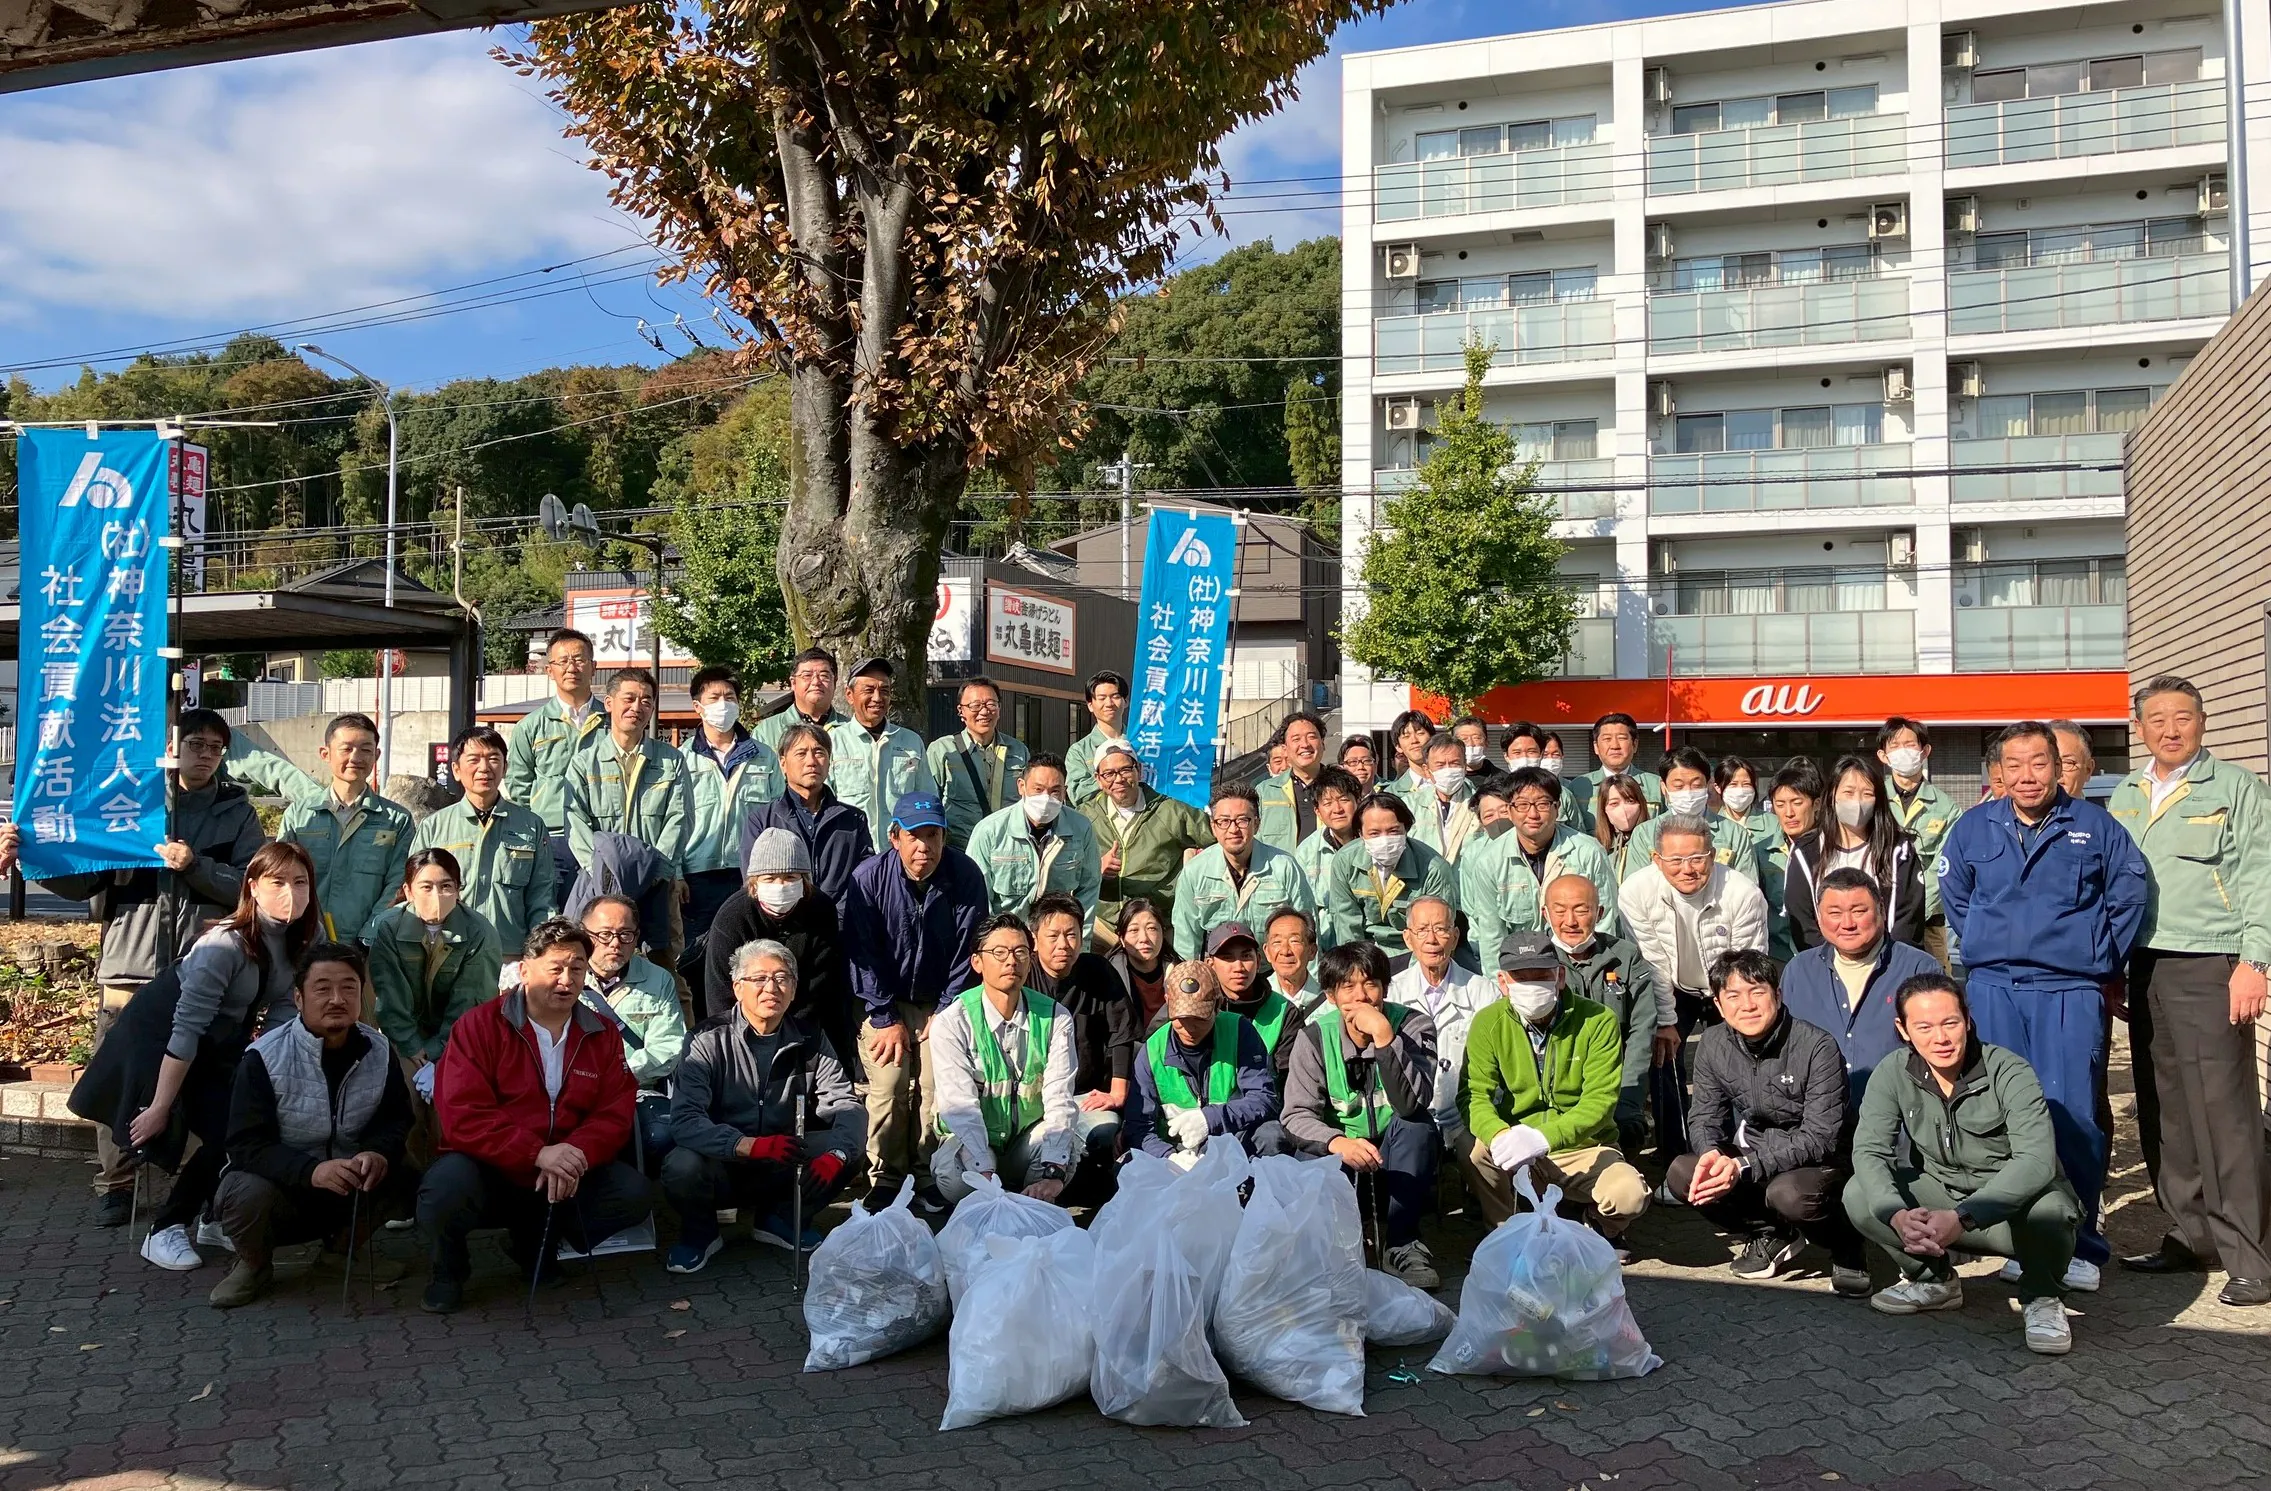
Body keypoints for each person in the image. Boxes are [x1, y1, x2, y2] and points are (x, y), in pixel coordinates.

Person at [0, 706, 262, 1227]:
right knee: (123, 1077)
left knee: (202, 1078)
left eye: (214, 747)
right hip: (129, 963)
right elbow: (82, 881)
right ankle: (115, 1184)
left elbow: (252, 887)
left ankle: (190, 1186)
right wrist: (32, 854)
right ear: (173, 747)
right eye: (195, 744)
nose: (205, 755)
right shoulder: (128, 805)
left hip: (203, 969)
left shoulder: (237, 811)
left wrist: (197, 867)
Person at [1940, 722, 2146, 1292]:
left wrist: (2093, 956)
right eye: (2014, 764)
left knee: (2072, 1112)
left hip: (2069, 991)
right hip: (1995, 989)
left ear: (2059, 767)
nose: (2026, 775)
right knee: (2002, 1115)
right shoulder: (1974, 827)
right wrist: (1993, 942)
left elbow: (2128, 896)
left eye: (2039, 762)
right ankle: (2019, 1236)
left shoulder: (2096, 827)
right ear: (1998, 772)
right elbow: (1957, 899)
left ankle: (2078, 1242)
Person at [71, 843, 326, 1273]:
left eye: (300, 883)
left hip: (221, 1041)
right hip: (160, 1038)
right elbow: (185, 1030)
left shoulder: (307, 936)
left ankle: (214, 1218)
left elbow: (284, 1013)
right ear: (253, 888)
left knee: (246, 1125)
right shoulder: (223, 944)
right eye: (277, 883)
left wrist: (268, 1074)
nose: (291, 894)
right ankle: (165, 1229)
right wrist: (159, 1107)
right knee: (226, 1133)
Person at [2108, 677, 2271, 1303]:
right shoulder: (2126, 792)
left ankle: (2249, 1255)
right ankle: (2189, 1234)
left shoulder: (2236, 789)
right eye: (2156, 719)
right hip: (2144, 965)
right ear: (2140, 727)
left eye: (2182, 717)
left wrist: (2254, 961)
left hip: (2212, 965)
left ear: (2202, 723)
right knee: (2164, 1108)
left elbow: (2260, 877)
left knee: (2224, 1114)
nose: (2170, 729)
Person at [417, 919, 651, 1314]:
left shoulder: (602, 1032)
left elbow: (615, 1110)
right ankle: (448, 1272)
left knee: (632, 1194)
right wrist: (535, 1153)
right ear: (525, 970)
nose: (567, 979)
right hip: (490, 1164)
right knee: (442, 1191)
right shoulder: (478, 1026)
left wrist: (574, 1153)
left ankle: (536, 1243)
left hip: (565, 1167)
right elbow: (463, 1114)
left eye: (577, 968)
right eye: (555, 968)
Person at [1844, 974, 2082, 1354]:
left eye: (1949, 1022)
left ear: (1967, 1020)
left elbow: (2036, 1162)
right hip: (1941, 1195)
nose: (1940, 1038)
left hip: (2009, 1212)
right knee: (1859, 1194)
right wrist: (1896, 1216)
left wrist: (1964, 1217)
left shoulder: (2009, 1071)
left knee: (2053, 1210)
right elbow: (1870, 1150)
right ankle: (1934, 1281)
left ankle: (2042, 1297)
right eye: (1924, 1027)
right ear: (1903, 1030)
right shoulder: (1892, 1072)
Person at [209, 942, 414, 1309]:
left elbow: (397, 1119)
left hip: (350, 1179)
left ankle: (339, 1254)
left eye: (349, 987)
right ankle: (254, 1264)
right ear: (299, 997)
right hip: (283, 1185)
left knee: (405, 1169)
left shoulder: (380, 1051)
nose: (337, 998)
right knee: (244, 1190)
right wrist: (311, 1171)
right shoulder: (263, 1057)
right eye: (322, 988)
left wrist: (376, 1152)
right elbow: (245, 1144)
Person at [1670, 950, 1867, 1294]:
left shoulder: (1816, 1045)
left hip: (1821, 1163)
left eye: (1757, 991)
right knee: (1684, 1174)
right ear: (1718, 1004)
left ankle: (1847, 1245)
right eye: (1733, 995)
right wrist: (1711, 1155)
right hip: (1755, 1153)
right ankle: (1772, 1233)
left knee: (1789, 1194)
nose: (1746, 1005)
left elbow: (1820, 1136)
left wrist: (1744, 1166)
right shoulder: (1714, 1043)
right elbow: (1704, 1115)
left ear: (1777, 995)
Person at [662, 938, 864, 1271]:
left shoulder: (810, 1038)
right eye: (759, 979)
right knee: (681, 1164)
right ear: (737, 988)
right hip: (720, 1163)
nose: (771, 987)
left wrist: (837, 1154)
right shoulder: (706, 1038)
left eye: (782, 978)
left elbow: (846, 1102)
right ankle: (700, 1234)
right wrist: (744, 1145)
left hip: (781, 1159)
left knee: (845, 1148)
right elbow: (684, 1119)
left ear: (794, 988)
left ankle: (781, 1219)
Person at [842, 790, 990, 1208]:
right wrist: (885, 1016)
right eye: (914, 836)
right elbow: (862, 954)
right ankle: (886, 1176)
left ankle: (928, 1173)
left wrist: (944, 1012)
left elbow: (969, 951)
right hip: (880, 1002)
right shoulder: (868, 878)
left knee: (934, 1085)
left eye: (933, 835)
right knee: (889, 1084)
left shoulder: (965, 875)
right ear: (895, 837)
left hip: (939, 1000)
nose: (924, 846)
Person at [1458, 932, 1648, 1249]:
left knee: (1630, 1195)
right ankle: (1506, 1232)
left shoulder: (1598, 1020)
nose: (1532, 985)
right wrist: (1499, 1133)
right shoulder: (1487, 1022)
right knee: (1473, 1146)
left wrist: (1546, 1137)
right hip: (1517, 1143)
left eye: (1541, 975)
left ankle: (1601, 1225)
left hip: (1585, 1146)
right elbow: (1473, 1094)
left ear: (1559, 977)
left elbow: (1600, 1102)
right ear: (1503, 983)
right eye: (1521, 977)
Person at [1282, 940, 1442, 1287]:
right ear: (1330, 996)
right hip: (1344, 1157)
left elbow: (1413, 1102)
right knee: (1308, 1155)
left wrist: (1385, 1039)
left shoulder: (1414, 1026)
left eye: (1370, 984)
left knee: (1419, 1127)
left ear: (1384, 988)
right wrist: (1338, 1142)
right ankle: (1334, 1251)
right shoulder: (1312, 1038)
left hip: (1395, 1156)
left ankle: (1402, 1244)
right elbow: (1296, 1115)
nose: (1362, 996)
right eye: (1348, 986)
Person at [1619, 813, 1770, 1154]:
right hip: (1672, 983)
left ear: (1712, 855)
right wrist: (1667, 1021)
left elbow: (1747, 968)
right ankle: (1674, 1153)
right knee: (1663, 1056)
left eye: (1697, 858)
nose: (1687, 869)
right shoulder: (1635, 892)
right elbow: (1652, 962)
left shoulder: (1743, 894)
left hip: (1729, 987)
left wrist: (1736, 1015)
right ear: (1656, 860)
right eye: (1675, 860)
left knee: (1737, 1061)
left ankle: (1740, 1153)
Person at [928, 913, 1081, 1206]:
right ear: (977, 962)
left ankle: (1030, 1203)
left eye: (1020, 952)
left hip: (1025, 1143)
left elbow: (1060, 1097)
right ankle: (989, 1204)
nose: (1011, 960)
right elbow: (959, 1106)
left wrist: (1053, 1170)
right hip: (977, 1144)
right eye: (999, 953)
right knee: (952, 1174)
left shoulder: (1055, 1016)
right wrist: (983, 1171)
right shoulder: (953, 1022)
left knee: (1066, 1148)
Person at [1782, 868, 1944, 1119]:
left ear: (1880, 908)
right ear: (1819, 917)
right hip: (1816, 1124)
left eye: (1859, 911)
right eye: (1835, 913)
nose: (1847, 924)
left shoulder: (1918, 968)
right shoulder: (1799, 971)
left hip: (1898, 1120)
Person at [700, 829, 851, 1067]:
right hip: (744, 1028)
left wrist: (790, 1040)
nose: (780, 886)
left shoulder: (821, 910)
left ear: (805, 880)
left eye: (790, 877)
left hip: (806, 1023)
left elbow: (822, 984)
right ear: (754, 883)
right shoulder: (732, 917)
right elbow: (720, 993)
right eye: (769, 878)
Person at [410, 726, 559, 959]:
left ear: (505, 768)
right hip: (447, 952)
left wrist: (540, 954)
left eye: (493, 759)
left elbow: (542, 896)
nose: (484, 768)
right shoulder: (434, 827)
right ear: (456, 770)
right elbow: (417, 894)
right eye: (474, 759)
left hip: (508, 955)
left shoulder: (530, 826)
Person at [1462, 766, 1620, 972]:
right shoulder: (1489, 861)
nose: (1533, 814)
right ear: (1510, 811)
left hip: (1579, 965)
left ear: (1557, 807)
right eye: (1522, 805)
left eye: (1543, 804)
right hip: (1519, 968)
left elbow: (1605, 922)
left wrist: (1596, 974)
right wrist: (1499, 984)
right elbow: (1491, 935)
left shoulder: (1588, 852)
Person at [366, 850, 504, 1084]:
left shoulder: (480, 932)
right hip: (404, 1037)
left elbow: (470, 1000)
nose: (437, 895)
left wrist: (438, 1050)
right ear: (409, 891)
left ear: (458, 889)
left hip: (460, 1038)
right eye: (426, 887)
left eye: (446, 886)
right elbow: (390, 996)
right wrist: (412, 1046)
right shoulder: (387, 927)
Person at [1125, 959, 1285, 1161]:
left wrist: (1210, 1119)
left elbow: (1264, 1099)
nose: (1190, 1028)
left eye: (1199, 1019)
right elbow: (1138, 1128)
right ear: (1168, 1002)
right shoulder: (1152, 1051)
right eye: (1181, 1019)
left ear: (1218, 1005)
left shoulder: (1239, 1032)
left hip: (1234, 1144)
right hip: (1179, 1151)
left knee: (1271, 1135)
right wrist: (1169, 1157)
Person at [1543, 873, 1656, 1157]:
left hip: (1615, 1083)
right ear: (1545, 913)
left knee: (1627, 1127)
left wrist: (1629, 1095)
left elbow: (1642, 1031)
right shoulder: (1536, 961)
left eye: (1581, 910)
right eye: (1560, 910)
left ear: (1599, 912)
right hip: (1557, 1088)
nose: (1570, 921)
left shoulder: (1625, 956)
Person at [276, 713, 413, 945]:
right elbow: (279, 876)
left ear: (376, 755)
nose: (356, 757)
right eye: (346, 749)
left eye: (366, 750)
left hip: (367, 944)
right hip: (303, 939)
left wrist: (371, 933)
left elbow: (398, 882)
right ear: (325, 754)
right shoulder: (299, 815)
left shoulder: (396, 819)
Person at [1026, 893, 1136, 1180]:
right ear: (1034, 938)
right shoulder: (1022, 974)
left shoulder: (1097, 970)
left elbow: (1121, 1031)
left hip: (1085, 1095)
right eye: (1053, 935)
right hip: (1032, 1101)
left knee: (1105, 1137)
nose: (1064, 944)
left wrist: (1118, 1092)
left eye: (1071, 934)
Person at [681, 666, 785, 962]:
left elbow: (778, 815)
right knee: (696, 956)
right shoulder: (682, 758)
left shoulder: (764, 756)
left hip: (748, 872)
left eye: (729, 696)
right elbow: (673, 820)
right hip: (697, 874)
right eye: (714, 697)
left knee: (750, 951)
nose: (722, 704)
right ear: (698, 707)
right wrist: (677, 873)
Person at [580, 894, 690, 1164]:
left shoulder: (658, 979)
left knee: (663, 1136)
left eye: (625, 934)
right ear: (584, 935)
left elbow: (669, 1047)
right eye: (604, 934)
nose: (615, 944)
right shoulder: (565, 976)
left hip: (637, 1090)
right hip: (574, 1091)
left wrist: (616, 1074)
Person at [563, 667, 693, 892]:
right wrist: (604, 876)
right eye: (629, 699)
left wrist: (654, 875)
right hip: (600, 885)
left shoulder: (672, 761)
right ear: (609, 703)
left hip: (656, 884)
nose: (637, 707)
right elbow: (576, 825)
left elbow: (680, 821)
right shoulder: (583, 763)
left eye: (646, 701)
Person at [1782, 756, 1926, 953]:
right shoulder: (1806, 852)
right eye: (1848, 793)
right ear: (1832, 796)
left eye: (1867, 794)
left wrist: (1884, 963)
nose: (1857, 802)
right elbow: (1802, 920)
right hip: (1826, 968)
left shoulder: (1898, 850)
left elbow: (1908, 919)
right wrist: (1834, 964)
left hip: (1888, 965)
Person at [1388, 895, 1493, 1161]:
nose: (1432, 939)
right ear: (1407, 938)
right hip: (1407, 1119)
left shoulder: (1483, 992)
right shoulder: (1392, 992)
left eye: (1441, 929)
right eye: (1422, 930)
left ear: (1456, 936)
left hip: (1468, 1117)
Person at [504, 628, 608, 882]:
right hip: (552, 834)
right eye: (563, 661)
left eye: (579, 659)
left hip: (603, 833)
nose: (571, 667)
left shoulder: (612, 722)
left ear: (593, 667)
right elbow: (519, 785)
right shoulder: (531, 725)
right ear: (550, 670)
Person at [1172, 782, 1316, 963]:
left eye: (1242, 820)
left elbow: (1307, 931)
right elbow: (1186, 940)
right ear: (1213, 827)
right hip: (1218, 974)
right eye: (1223, 821)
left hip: (1272, 973)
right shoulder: (1195, 871)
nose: (1233, 829)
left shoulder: (1284, 866)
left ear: (1256, 824)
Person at [1079, 744, 1210, 941]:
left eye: (1125, 770)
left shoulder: (1170, 812)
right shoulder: (1084, 817)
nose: (1118, 779)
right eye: (1109, 774)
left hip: (1156, 927)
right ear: (1098, 779)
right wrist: (1095, 869)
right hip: (1102, 928)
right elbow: (1063, 870)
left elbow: (1221, 837)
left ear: (1138, 770)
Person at [739, 723, 873, 906]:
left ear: (829, 761)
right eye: (801, 753)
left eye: (819, 752)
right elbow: (753, 883)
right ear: (783, 763)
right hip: (782, 926)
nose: (811, 761)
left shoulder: (853, 819)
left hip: (841, 926)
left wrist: (837, 918)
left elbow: (864, 878)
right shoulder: (762, 821)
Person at [964, 753, 1103, 931]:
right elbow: (977, 897)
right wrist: (991, 943)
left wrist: (1080, 944)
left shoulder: (1081, 828)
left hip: (1056, 938)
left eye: (1055, 791)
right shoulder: (989, 831)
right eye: (1038, 789)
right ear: (1021, 786)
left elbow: (1089, 890)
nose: (1046, 798)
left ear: (1064, 791)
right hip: (1007, 939)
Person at [1324, 790, 1459, 954]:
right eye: (1374, 833)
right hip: (1366, 950)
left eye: (1393, 831)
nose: (1384, 839)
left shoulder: (1434, 869)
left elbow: (1438, 932)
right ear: (1360, 834)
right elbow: (1346, 921)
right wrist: (1357, 965)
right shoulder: (1345, 861)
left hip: (1413, 953)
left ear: (1406, 829)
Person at [828, 657, 939, 853]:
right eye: (868, 690)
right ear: (849, 695)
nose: (878, 698)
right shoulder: (833, 742)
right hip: (849, 851)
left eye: (884, 691)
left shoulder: (911, 742)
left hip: (900, 853)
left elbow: (927, 800)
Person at [1878, 717, 1963, 968]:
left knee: (1934, 988)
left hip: (1928, 921)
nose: (1903, 751)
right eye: (1895, 746)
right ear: (1883, 755)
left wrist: (1912, 909)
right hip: (1877, 919)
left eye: (1910, 745)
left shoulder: (1946, 808)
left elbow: (1943, 866)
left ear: (1924, 751)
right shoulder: (1874, 799)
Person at [1629, 748, 1762, 885]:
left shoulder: (1735, 834)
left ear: (1708, 784)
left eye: (1696, 785)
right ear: (1664, 787)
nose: (1688, 793)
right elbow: (1635, 891)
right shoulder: (1644, 834)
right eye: (1679, 786)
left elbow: (1747, 889)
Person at [927, 676, 1029, 851]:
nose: (984, 711)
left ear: (999, 708)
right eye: (975, 705)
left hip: (1007, 847)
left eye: (991, 704)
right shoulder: (941, 750)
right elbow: (930, 802)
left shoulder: (1018, 750)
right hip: (959, 847)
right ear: (961, 711)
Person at [1205, 920, 1306, 1080]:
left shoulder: (1284, 1012)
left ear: (1258, 961)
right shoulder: (1199, 1007)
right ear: (1210, 965)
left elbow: (1289, 1080)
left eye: (1246, 956)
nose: (1238, 967)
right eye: (1228, 958)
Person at [1762, 759, 1824, 962]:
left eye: (1797, 803)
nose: (1789, 813)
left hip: (1823, 951)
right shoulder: (1762, 851)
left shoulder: (1834, 847)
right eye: (1780, 805)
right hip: (1778, 956)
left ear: (1816, 804)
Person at [1563, 713, 1664, 833]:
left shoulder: (1657, 785)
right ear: (1596, 747)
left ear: (1635, 745)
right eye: (1607, 739)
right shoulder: (1579, 787)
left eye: (1622, 738)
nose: (1615, 746)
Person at [1400, 730, 1484, 867]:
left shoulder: (1482, 803)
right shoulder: (1409, 805)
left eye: (1455, 763)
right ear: (1427, 770)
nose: (1448, 769)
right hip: (1427, 885)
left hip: (1465, 885)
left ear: (1464, 766)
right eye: (1440, 765)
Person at [1253, 709, 1329, 855]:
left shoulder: (1341, 787)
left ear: (1323, 743)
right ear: (1285, 749)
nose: (1305, 744)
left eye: (1312, 737)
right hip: (1280, 876)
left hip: (1328, 875)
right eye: (1296, 739)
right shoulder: (1265, 791)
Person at [751, 647, 851, 752]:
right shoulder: (766, 731)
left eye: (824, 676)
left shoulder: (852, 731)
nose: (816, 682)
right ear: (793, 683)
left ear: (834, 682)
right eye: (807, 675)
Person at [1105, 897, 1176, 1032]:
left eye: (1152, 928)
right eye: (1134, 930)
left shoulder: (1180, 974)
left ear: (1163, 932)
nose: (1144, 938)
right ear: (1122, 938)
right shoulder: (1107, 977)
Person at [1063, 670, 1133, 806]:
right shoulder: (1079, 751)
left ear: (1126, 701)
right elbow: (1077, 794)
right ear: (1090, 705)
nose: (1109, 703)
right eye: (1101, 698)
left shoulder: (1140, 742)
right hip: (1100, 823)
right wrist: (1113, 776)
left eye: (1115, 696)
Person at [1292, 765, 1363, 899]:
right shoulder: (1306, 852)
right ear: (1317, 811)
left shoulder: (1373, 842)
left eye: (1344, 800)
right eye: (1327, 803)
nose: (1337, 809)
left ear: (1358, 802)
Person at [1262, 904, 1326, 1020]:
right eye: (1277, 942)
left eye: (1294, 941)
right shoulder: (1257, 1000)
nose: (1285, 951)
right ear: (1267, 952)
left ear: (1312, 951)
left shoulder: (1327, 1003)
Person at [1593, 773, 1655, 884]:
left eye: (1630, 801)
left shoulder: (1655, 843)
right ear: (1604, 809)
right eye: (1614, 803)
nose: (1624, 809)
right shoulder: (1597, 849)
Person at [1715, 756, 1775, 841]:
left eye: (1746, 784)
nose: (1740, 790)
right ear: (1718, 788)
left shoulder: (1773, 823)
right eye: (1733, 784)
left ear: (1755, 785)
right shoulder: (1709, 828)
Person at [1388, 709, 1437, 793]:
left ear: (1432, 738)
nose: (1414, 740)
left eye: (1420, 733)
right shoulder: (1392, 794)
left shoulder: (1456, 783)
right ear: (1398, 746)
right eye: (1406, 736)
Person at [2048, 719, 2097, 800]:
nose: (2056, 772)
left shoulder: (2096, 813)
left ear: (2088, 769)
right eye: (2042, 763)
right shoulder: (2021, 812)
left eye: (2067, 763)